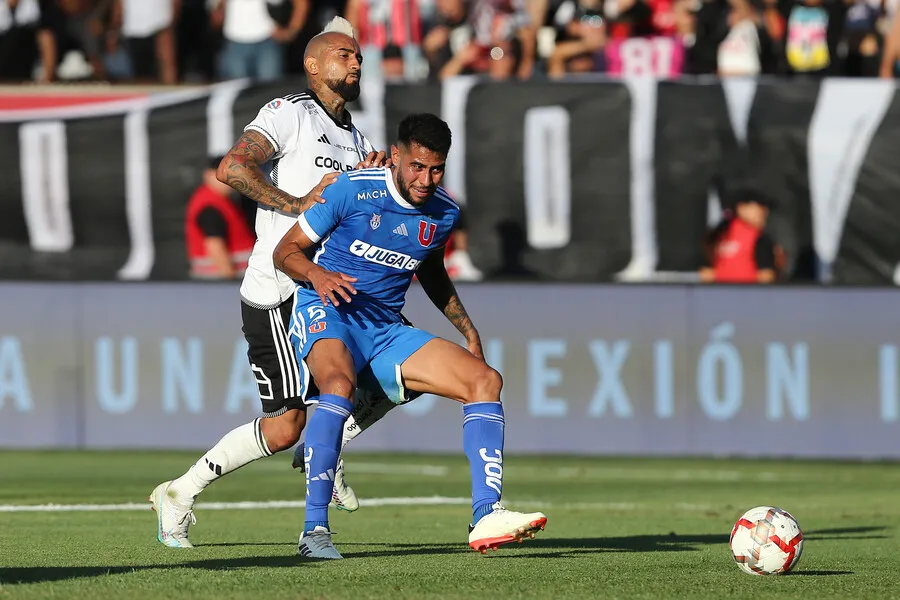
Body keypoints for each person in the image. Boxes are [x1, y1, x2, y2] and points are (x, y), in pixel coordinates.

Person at [150, 16, 395, 548]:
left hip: (326, 288)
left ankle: (326, 445)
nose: (355, 62)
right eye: (343, 54)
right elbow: (233, 168)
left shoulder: (358, 140)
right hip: (278, 292)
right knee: (286, 426)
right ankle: (180, 492)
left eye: (358, 55)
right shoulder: (290, 114)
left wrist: (378, 180)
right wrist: (296, 203)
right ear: (312, 64)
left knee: (399, 371)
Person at [274, 113, 548, 560]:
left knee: (485, 381)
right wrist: (318, 275)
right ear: (397, 156)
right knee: (337, 387)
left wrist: (468, 329)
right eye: (417, 167)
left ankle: (486, 514)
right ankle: (314, 532)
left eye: (436, 168)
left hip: (384, 328)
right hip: (327, 310)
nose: (426, 179)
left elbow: (432, 271)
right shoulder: (351, 190)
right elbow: (284, 251)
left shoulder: (444, 212)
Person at [185, 155, 256, 279]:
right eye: (223, 173)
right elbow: (215, 246)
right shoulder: (210, 206)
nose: (228, 179)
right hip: (217, 281)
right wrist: (229, 281)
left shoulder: (222, 201)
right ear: (208, 175)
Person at [699, 190, 781, 284]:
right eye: (759, 206)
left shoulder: (715, 236)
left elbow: (706, 276)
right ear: (741, 208)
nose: (764, 212)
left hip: (719, 295)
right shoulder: (759, 239)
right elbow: (766, 279)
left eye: (765, 207)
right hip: (749, 296)